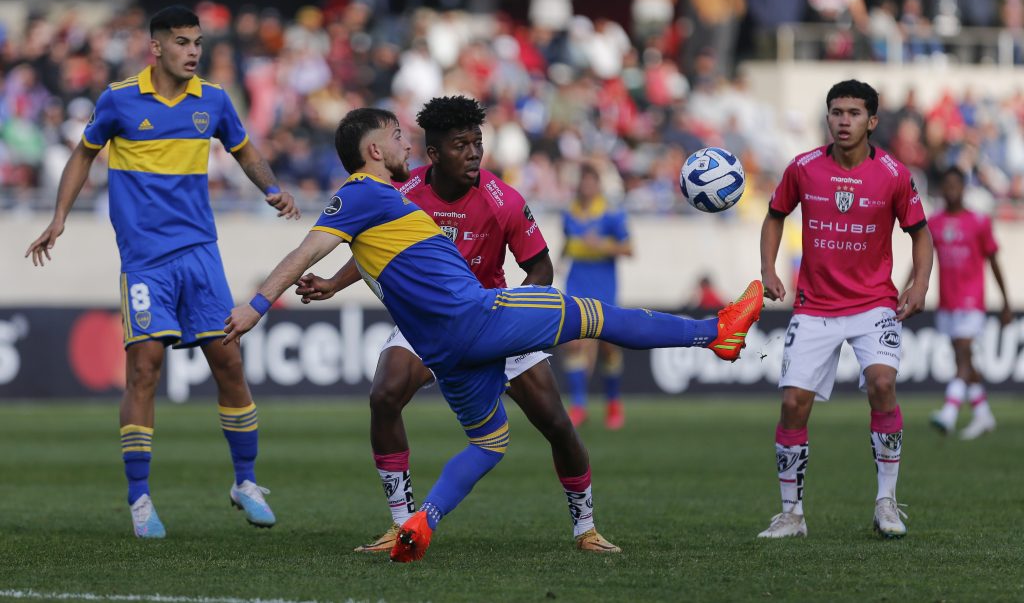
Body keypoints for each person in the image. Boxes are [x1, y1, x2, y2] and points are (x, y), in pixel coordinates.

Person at [222, 106, 764, 562]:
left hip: (443, 346)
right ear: (373, 152)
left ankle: (422, 523)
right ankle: (715, 331)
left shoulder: (405, 200)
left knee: (490, 440)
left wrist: (323, 286)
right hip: (479, 314)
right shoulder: (366, 193)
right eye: (394, 135)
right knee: (596, 317)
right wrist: (256, 306)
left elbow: (372, 253)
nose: (403, 140)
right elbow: (306, 249)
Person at [294, 96, 620, 553]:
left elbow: (541, 268)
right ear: (433, 153)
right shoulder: (402, 194)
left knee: (556, 424)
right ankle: (401, 523)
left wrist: (516, 316)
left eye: (477, 143)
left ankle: (585, 527)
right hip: (426, 320)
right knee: (385, 394)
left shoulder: (502, 198)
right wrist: (332, 281)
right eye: (461, 144)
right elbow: (372, 247)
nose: (473, 153)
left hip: (495, 315)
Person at [25, 6, 300, 539]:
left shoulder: (213, 101)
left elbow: (245, 151)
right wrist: (59, 217)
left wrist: (271, 187)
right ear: (156, 48)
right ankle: (140, 499)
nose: (193, 51)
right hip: (146, 260)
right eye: (181, 42)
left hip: (200, 252)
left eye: (197, 41)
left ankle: (246, 482)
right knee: (144, 369)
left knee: (229, 361)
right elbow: (83, 155)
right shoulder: (120, 100)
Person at [757, 79, 932, 540]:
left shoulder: (893, 173)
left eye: (854, 113)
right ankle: (791, 514)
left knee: (881, 382)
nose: (843, 121)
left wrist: (920, 282)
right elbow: (775, 214)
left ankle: (887, 502)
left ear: (872, 121)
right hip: (815, 305)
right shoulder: (804, 168)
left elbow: (920, 232)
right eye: (836, 112)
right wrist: (768, 269)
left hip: (874, 301)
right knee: (793, 403)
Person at [927, 167, 1011, 439]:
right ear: (942, 189)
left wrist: (1006, 301)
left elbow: (994, 261)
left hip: (971, 300)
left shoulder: (978, 221)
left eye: (956, 185)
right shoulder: (935, 222)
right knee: (963, 359)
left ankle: (949, 413)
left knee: (963, 354)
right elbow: (922, 259)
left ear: (964, 188)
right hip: (947, 301)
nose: (951, 190)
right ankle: (983, 415)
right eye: (947, 185)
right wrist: (905, 289)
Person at [560, 163, 632, 429]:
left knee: (607, 346)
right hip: (576, 284)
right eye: (584, 181)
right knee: (573, 343)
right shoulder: (569, 213)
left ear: (598, 185)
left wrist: (601, 245)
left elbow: (629, 249)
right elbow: (567, 242)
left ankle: (613, 403)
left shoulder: (612, 214)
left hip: (604, 287)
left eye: (592, 182)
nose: (587, 187)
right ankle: (579, 406)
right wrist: (558, 260)